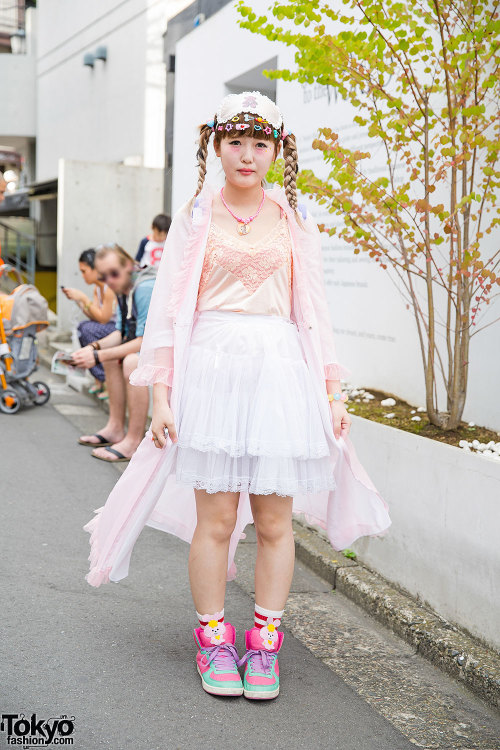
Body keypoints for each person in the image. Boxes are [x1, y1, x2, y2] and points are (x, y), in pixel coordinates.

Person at [83, 91, 391, 700]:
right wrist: (163, 395)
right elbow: (171, 315)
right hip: (213, 377)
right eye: (235, 142)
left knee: (277, 522)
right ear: (216, 145)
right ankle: (213, 638)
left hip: (280, 377)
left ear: (277, 150)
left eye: (260, 143)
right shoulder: (197, 219)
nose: (247, 155)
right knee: (217, 518)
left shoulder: (295, 220)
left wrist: (333, 390)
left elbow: (315, 314)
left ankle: (265, 644)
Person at [71, 244, 156, 462]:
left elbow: (143, 341)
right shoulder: (122, 285)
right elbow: (120, 332)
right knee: (112, 356)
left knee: (130, 362)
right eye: (104, 276)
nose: (109, 280)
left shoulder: (144, 287)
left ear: (129, 266)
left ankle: (134, 441)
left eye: (113, 274)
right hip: (148, 344)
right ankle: (115, 428)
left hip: (170, 347)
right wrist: (94, 348)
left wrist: (97, 356)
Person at [61, 248, 116, 397]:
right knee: (84, 327)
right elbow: (95, 316)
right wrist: (79, 300)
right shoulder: (97, 288)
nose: (83, 275)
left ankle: (104, 380)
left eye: (84, 271)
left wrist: (83, 298)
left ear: (95, 269)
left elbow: (104, 318)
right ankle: (99, 379)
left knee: (86, 329)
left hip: (117, 330)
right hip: (107, 328)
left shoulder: (109, 287)